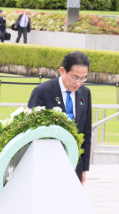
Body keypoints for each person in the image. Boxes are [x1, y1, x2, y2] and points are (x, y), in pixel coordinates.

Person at [28, 52, 94, 184]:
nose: (79, 83)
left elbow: (85, 133)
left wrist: (83, 168)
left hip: (74, 163)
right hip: (46, 163)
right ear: (62, 71)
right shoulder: (42, 91)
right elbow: (31, 131)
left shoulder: (85, 93)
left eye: (83, 78)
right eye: (75, 78)